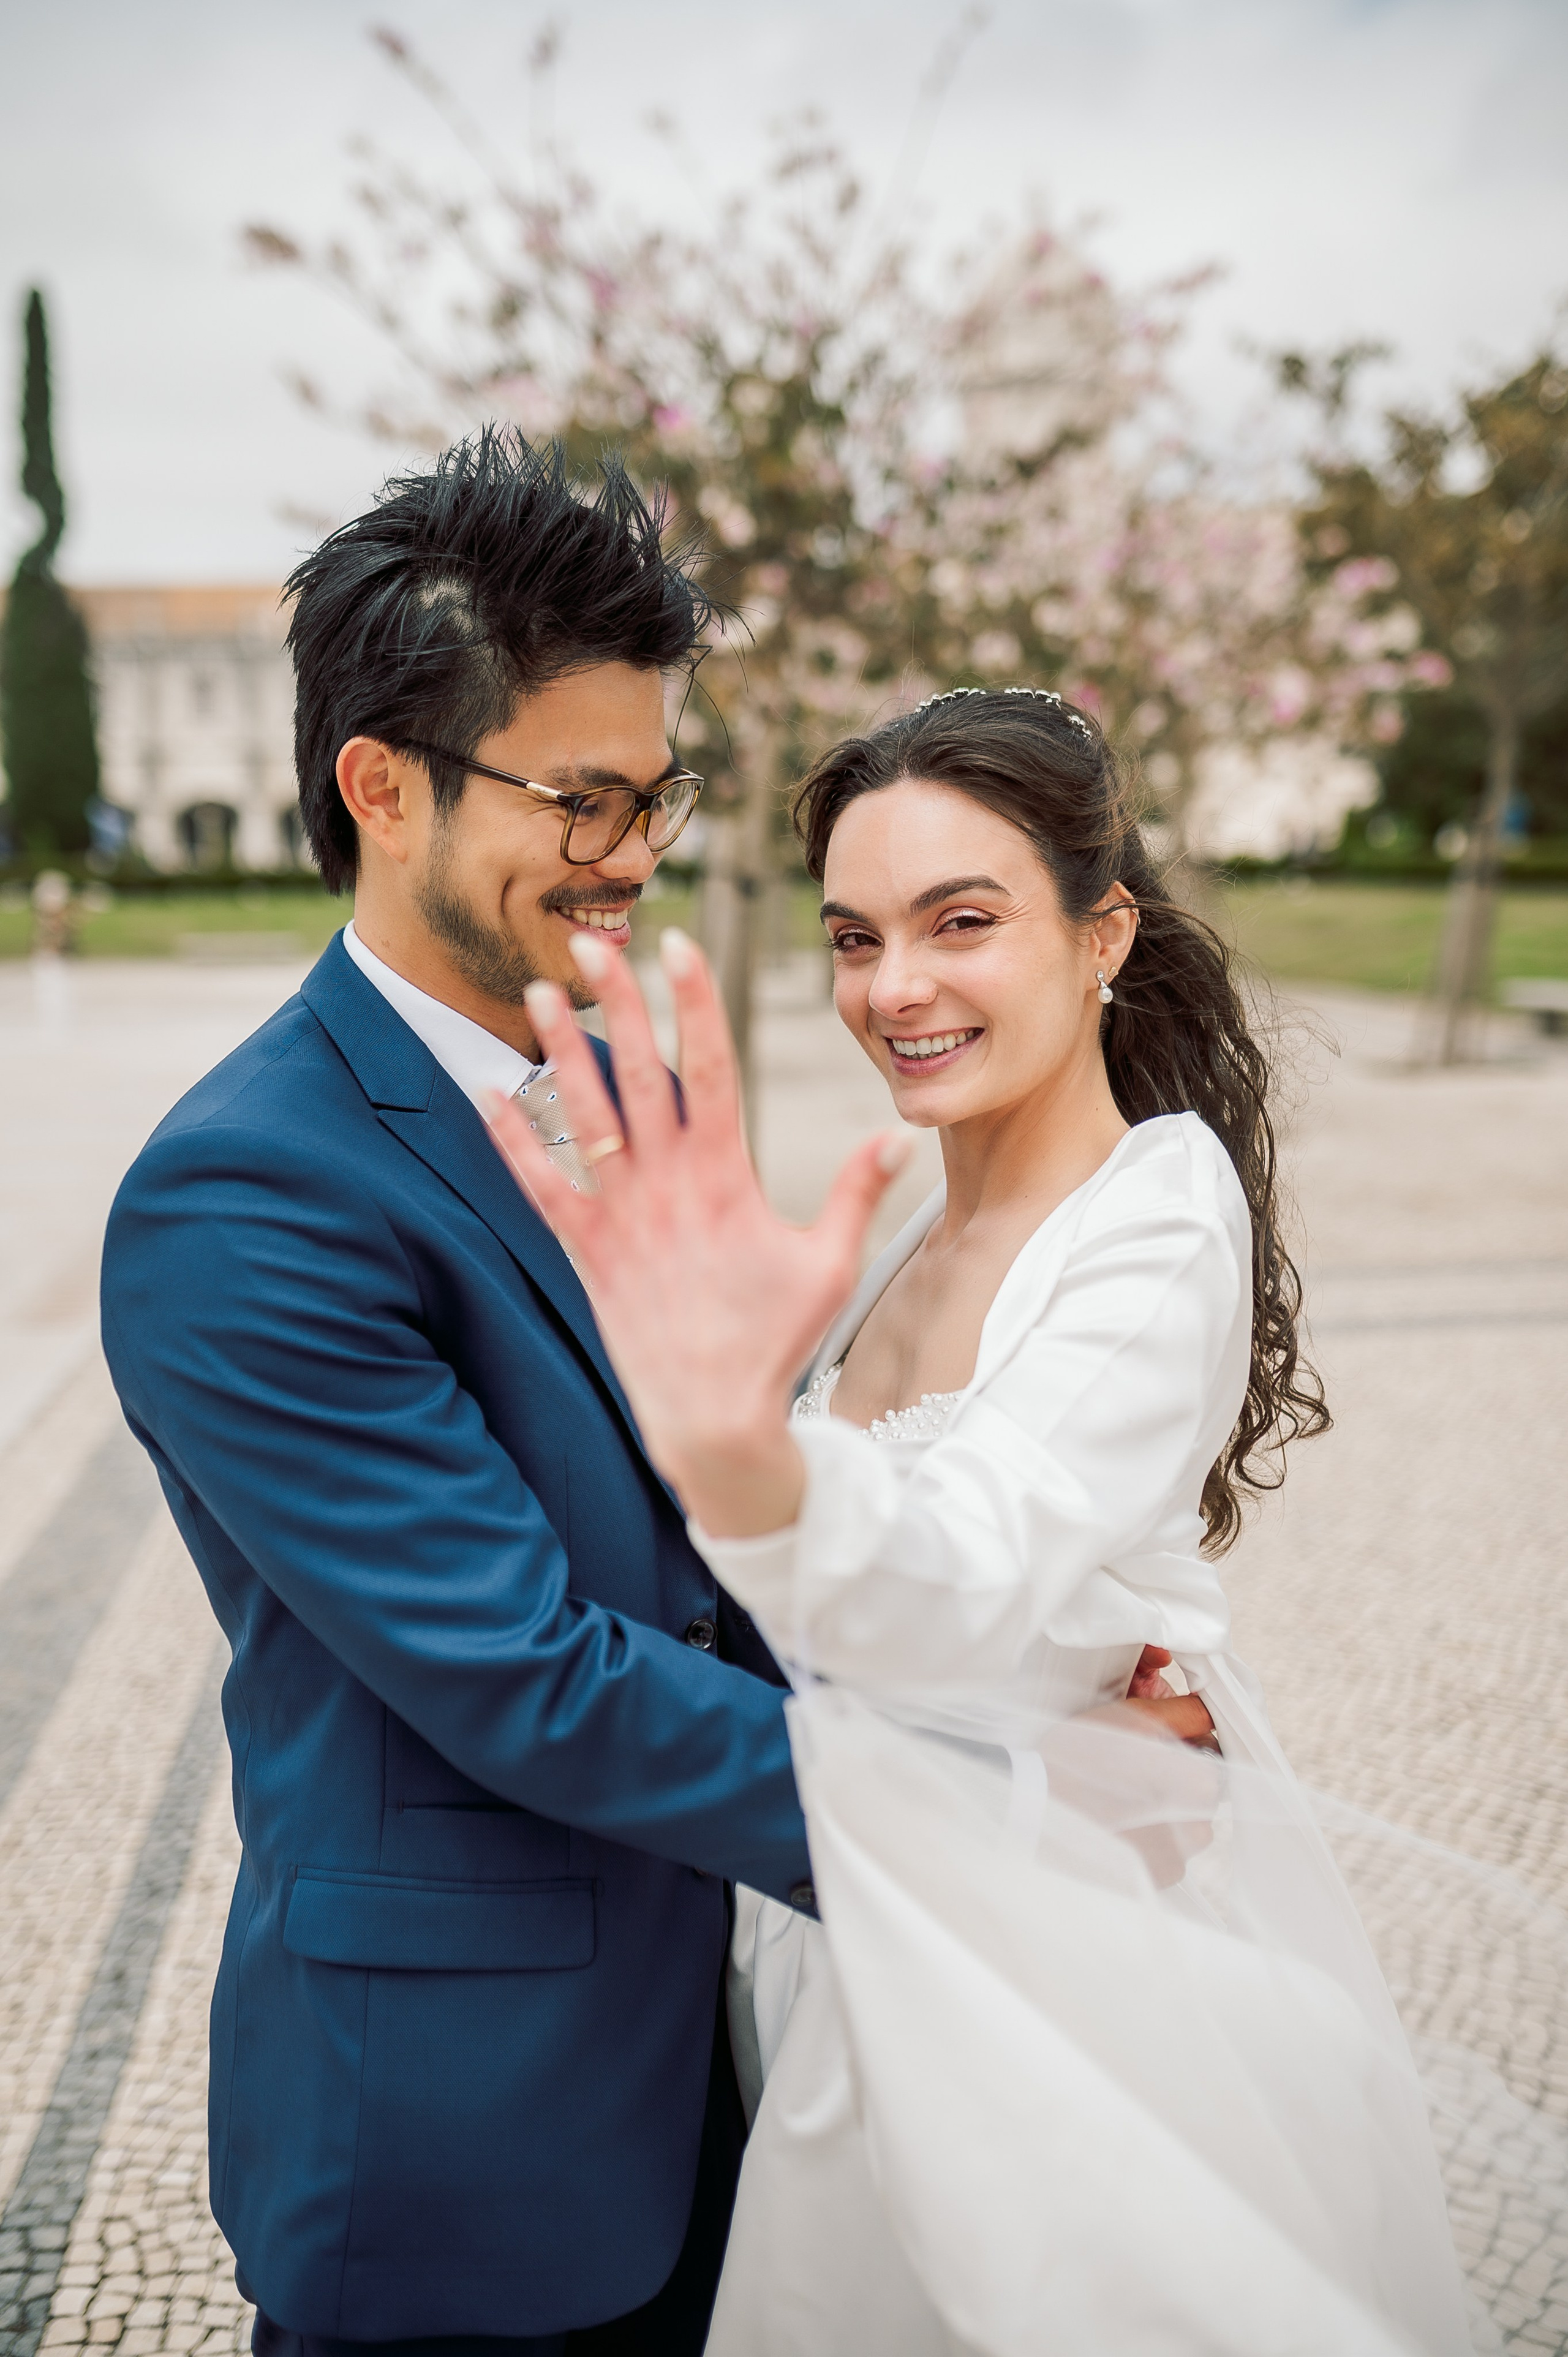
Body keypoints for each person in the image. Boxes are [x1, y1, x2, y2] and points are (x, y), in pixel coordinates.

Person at [487, 685, 1477, 2355]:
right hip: (851, 1927)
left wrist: (750, 1457)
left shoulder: (1156, 1216)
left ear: (1105, 933)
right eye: (855, 937)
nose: (898, 988)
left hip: (1047, 1981)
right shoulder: (900, 1247)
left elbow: (961, 1569)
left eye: (963, 923)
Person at [100, 431, 824, 2357]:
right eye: (583, 799)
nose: (634, 853)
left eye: (656, 794)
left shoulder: (621, 1083)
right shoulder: (247, 1191)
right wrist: (967, 1808)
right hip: (456, 2136)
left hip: (706, 2068)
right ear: (381, 788)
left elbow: (727, 1523)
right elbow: (528, 1673)